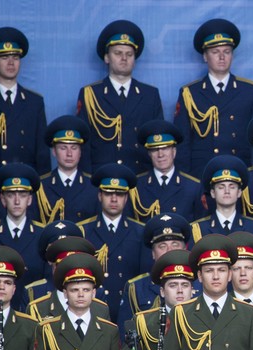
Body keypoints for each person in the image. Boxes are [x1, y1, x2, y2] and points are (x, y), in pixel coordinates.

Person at [175, 18, 253, 176]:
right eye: (215, 52)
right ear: (205, 56)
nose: (222, 57)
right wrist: (186, 181)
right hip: (202, 176)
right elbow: (183, 143)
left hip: (239, 175)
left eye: (227, 52)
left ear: (232, 55)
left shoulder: (250, 91)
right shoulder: (190, 93)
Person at [77, 20, 163, 173]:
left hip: (140, 177)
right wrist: (87, 181)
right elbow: (84, 144)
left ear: (134, 60)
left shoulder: (150, 95)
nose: (124, 58)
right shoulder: (90, 94)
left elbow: (158, 143)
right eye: (118, 53)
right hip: (103, 179)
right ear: (106, 58)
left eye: (129, 54)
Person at [0, 27, 49, 175]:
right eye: (4, 58)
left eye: (15, 58)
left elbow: (42, 153)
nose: (11, 63)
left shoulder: (35, 102)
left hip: (24, 185)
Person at [78, 163, 148, 321]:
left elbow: (142, 277)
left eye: (119, 194)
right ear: (99, 196)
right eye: (109, 193)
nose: (114, 199)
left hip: (129, 310)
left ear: (126, 198)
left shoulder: (140, 231)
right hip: (93, 310)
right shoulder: (83, 231)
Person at [117, 212, 192, 332]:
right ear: (153, 253)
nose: (169, 250)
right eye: (162, 246)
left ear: (185, 249)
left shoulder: (198, 283)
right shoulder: (136, 288)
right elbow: (125, 335)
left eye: (175, 244)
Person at [0, 163, 46, 303]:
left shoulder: (43, 234)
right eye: (11, 195)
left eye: (23, 195)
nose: (17, 201)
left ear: (30, 199)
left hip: (32, 306)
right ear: (3, 199)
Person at [135, 120, 205, 221]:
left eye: (165, 148)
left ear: (174, 151)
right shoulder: (137, 187)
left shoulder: (193, 187)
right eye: (155, 149)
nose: (160, 155)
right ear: (149, 154)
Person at [37, 116, 99, 223]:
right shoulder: (40, 187)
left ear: (80, 152)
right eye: (63, 148)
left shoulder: (93, 186)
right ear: (54, 152)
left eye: (74, 148)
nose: (69, 154)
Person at [191, 155, 253, 242]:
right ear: (213, 193)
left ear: (239, 192)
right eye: (221, 187)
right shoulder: (198, 230)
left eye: (232, 187)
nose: (227, 191)